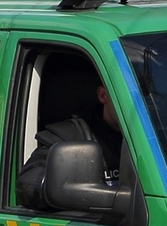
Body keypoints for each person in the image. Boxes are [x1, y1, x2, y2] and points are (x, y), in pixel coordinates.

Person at [16, 82, 122, 210]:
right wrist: (71, 190)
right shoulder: (69, 137)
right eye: (132, 96)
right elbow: (29, 184)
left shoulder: (151, 140)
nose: (142, 106)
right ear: (103, 95)